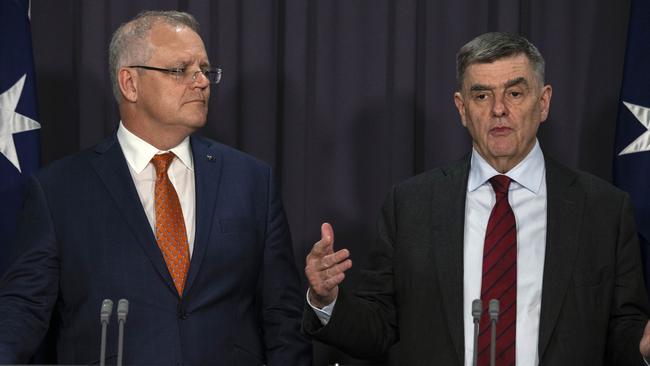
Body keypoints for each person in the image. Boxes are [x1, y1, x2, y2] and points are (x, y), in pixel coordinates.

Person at [303, 32, 650, 366]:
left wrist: (644, 346)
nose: (499, 109)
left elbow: (622, 334)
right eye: (482, 96)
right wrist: (327, 300)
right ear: (462, 108)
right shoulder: (411, 206)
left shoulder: (603, 209)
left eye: (515, 93)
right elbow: (376, 328)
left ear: (543, 102)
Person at [0, 10, 311, 366]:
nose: (202, 82)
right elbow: (21, 312)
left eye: (205, 70)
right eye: (180, 70)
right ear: (130, 83)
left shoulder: (252, 181)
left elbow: (282, 318)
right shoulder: (59, 191)